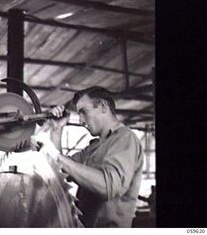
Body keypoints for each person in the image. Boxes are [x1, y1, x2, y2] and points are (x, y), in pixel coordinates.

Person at [37, 86, 144, 227]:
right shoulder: (94, 147)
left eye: (84, 112)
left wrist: (56, 156)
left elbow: (107, 186)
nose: (81, 121)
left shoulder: (125, 138)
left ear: (103, 107)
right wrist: (57, 130)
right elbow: (60, 172)